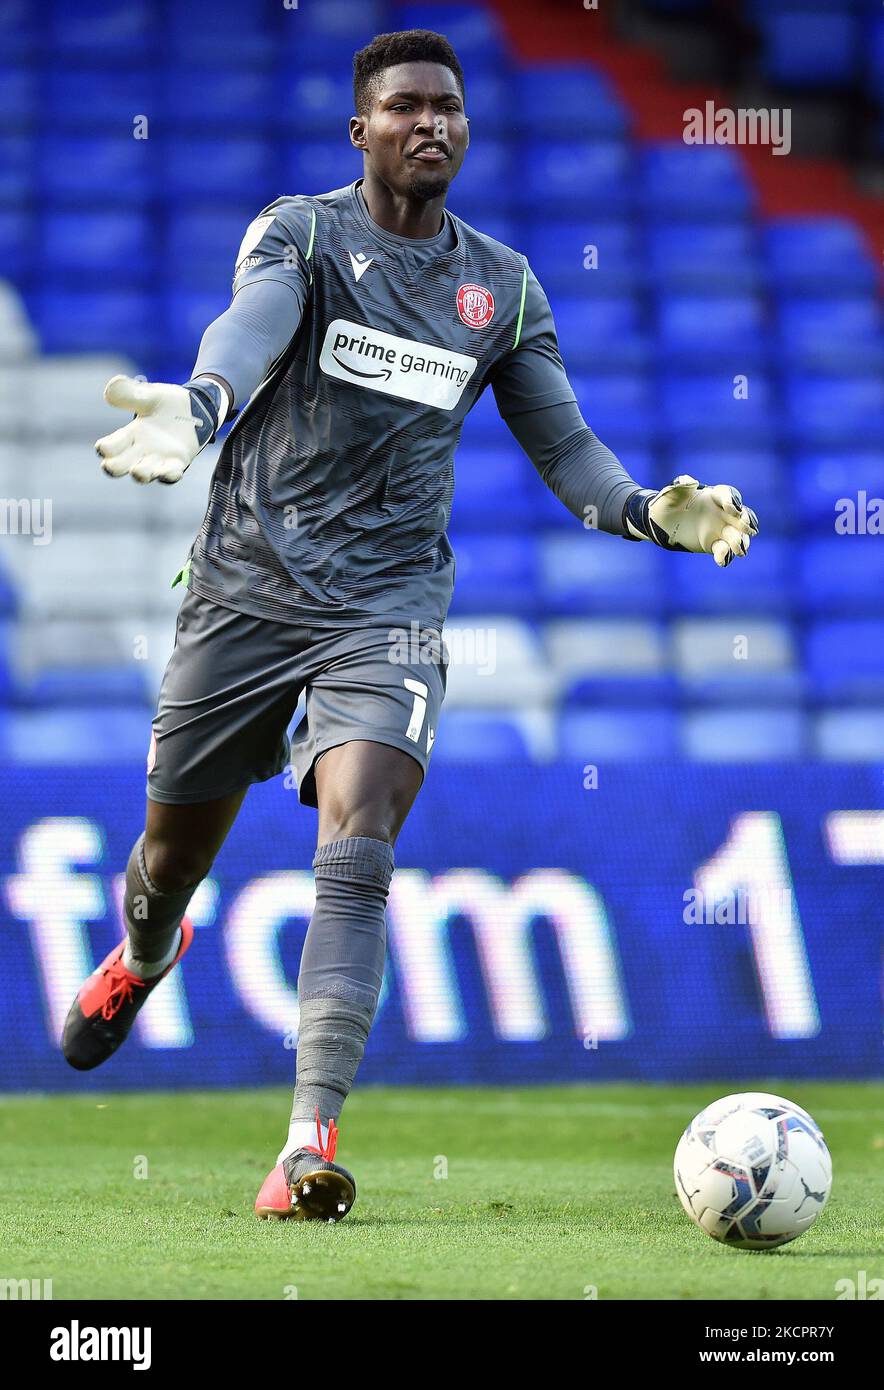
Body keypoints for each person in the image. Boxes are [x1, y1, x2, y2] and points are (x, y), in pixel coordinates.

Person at [62, 29, 758, 1223]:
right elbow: (254, 322)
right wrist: (200, 405)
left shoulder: (502, 286)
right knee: (169, 862)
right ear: (361, 130)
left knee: (361, 831)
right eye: (402, 107)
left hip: (385, 609)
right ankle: (148, 947)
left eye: (446, 106)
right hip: (242, 594)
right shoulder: (303, 234)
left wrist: (648, 511)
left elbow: (567, 451)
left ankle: (303, 1146)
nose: (428, 123)